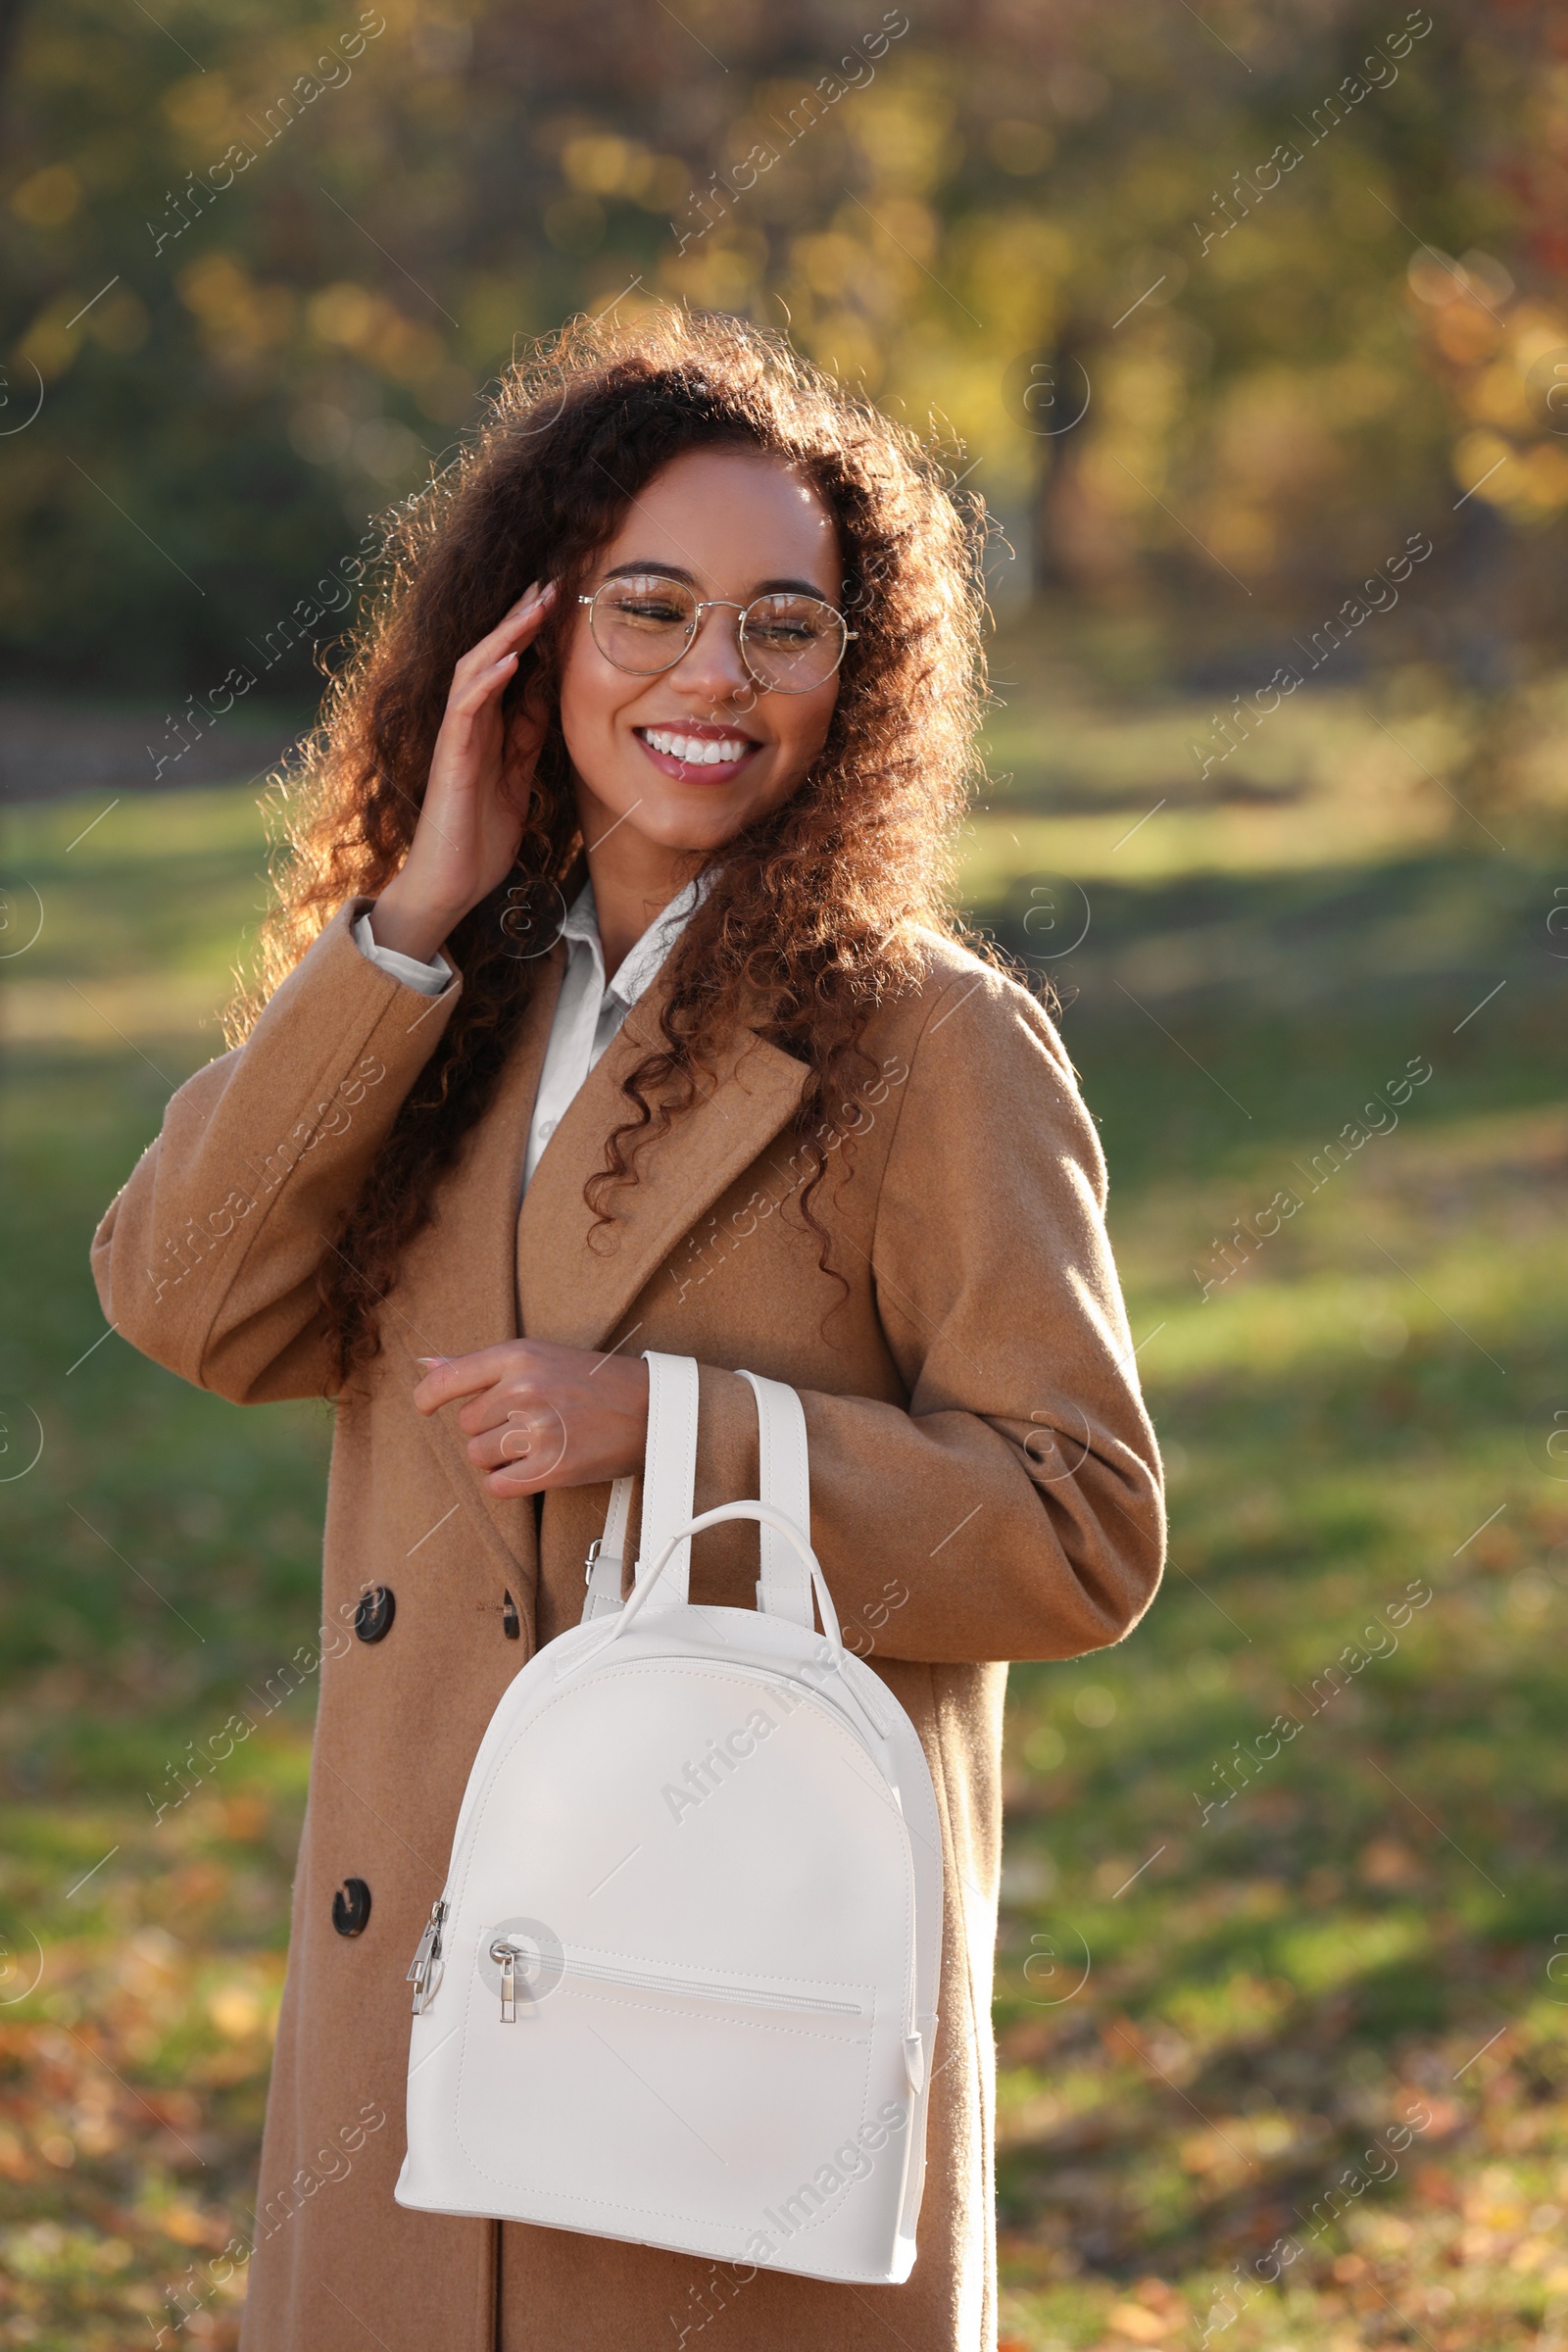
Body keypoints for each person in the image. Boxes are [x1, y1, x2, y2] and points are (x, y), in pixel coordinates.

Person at [90, 304, 1164, 2352]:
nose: (712, 677)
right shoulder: (445, 999)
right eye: (648, 607)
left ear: (857, 679)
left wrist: (675, 1429)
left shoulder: (928, 1042)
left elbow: (1082, 1528)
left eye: (785, 624)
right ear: (526, 641)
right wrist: (408, 917)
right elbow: (179, 1301)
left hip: (718, 2058)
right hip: (412, 2055)